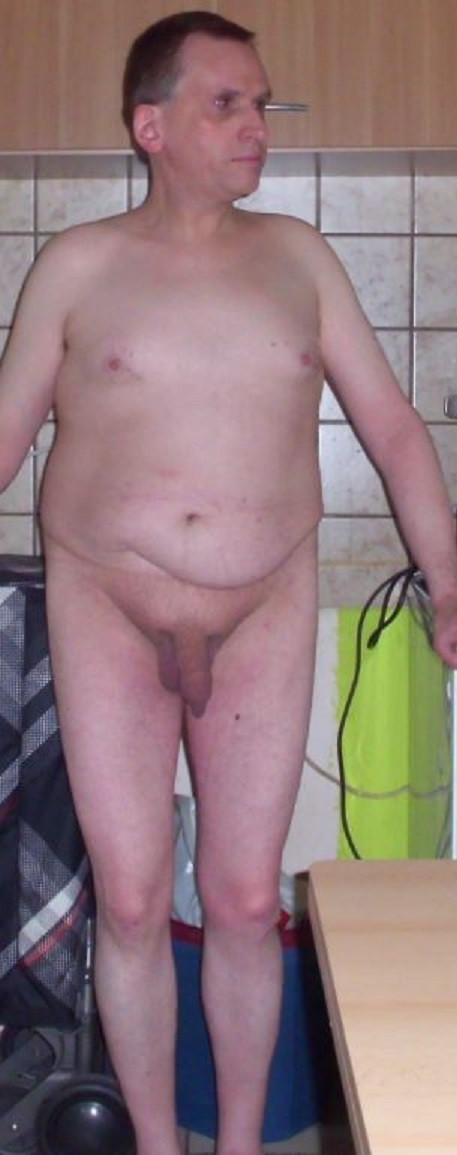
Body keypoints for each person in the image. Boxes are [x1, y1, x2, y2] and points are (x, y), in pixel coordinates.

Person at [1, 9, 457, 1154]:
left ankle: (241, 1146)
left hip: (262, 604)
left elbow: (395, 430)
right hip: (109, 602)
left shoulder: (299, 258)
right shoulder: (77, 265)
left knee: (249, 903)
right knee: (132, 903)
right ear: (149, 127)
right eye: (226, 103)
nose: (256, 124)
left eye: (261, 104)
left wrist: (448, 581)